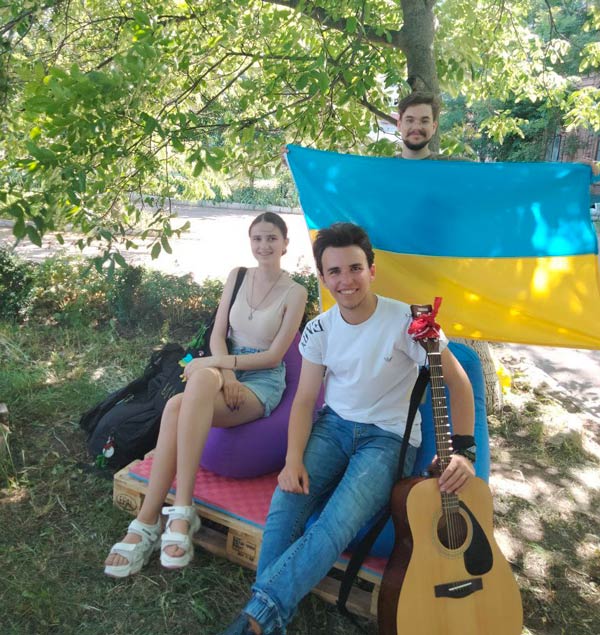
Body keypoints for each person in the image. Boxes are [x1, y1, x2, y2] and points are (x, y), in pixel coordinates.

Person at [218, 222, 476, 635]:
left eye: (355, 268)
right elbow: (305, 401)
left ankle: (256, 618)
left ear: (372, 270)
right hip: (333, 427)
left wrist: (465, 451)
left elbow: (457, 382)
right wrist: (292, 460)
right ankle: (266, 614)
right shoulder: (320, 329)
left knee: (335, 522)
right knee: (286, 503)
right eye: (334, 271)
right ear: (323, 278)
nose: (346, 280)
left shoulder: (409, 321)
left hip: (387, 439)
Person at [104, 212, 308, 578]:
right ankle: (177, 514)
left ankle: (148, 522)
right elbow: (218, 333)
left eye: (272, 238)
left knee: (176, 405)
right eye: (257, 238)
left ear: (285, 244)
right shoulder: (238, 276)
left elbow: (275, 356)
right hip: (224, 366)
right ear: (250, 242)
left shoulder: (295, 292)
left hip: (262, 378)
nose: (264, 245)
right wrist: (225, 374)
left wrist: (217, 367)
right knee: (190, 390)